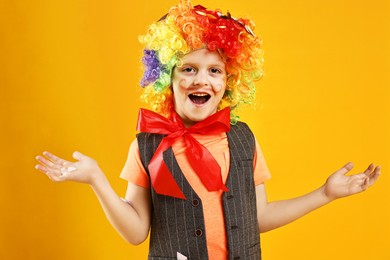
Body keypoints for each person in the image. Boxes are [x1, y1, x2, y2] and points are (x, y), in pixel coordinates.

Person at [35, 1, 381, 259]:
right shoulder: (146, 146)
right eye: (188, 68)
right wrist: (97, 179)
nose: (202, 79)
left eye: (214, 70)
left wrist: (325, 193)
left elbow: (258, 217)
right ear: (165, 78)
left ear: (229, 81)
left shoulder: (244, 139)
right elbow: (136, 232)